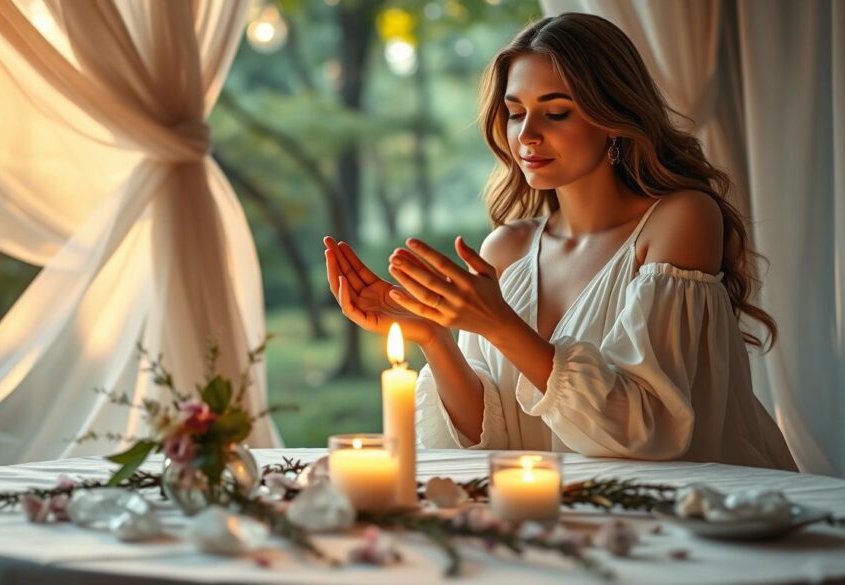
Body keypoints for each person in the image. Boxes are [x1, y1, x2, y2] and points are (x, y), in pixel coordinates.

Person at [322, 13, 797, 471]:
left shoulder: (681, 220)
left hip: (697, 520)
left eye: (555, 112)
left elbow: (646, 430)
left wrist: (500, 323)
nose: (526, 135)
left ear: (613, 115)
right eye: (514, 113)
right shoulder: (506, 249)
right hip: (559, 519)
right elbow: (488, 440)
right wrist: (432, 336)